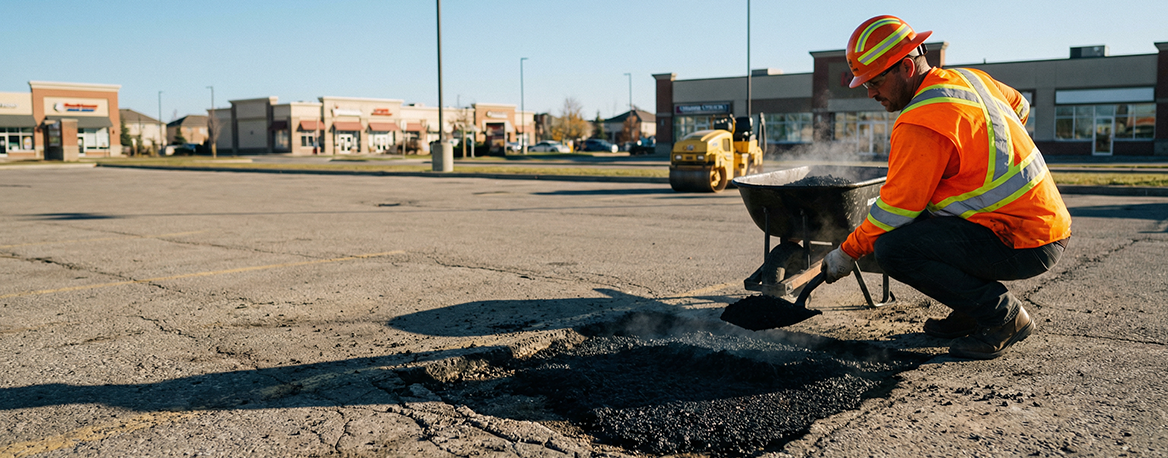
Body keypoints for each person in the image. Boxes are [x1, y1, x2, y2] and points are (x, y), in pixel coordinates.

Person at [821, 15, 1072, 360]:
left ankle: (1005, 318)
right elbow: (1020, 106)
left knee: (895, 250)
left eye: (875, 82)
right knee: (925, 218)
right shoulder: (970, 79)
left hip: (1023, 239)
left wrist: (847, 253)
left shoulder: (920, 121)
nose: (871, 93)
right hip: (1043, 224)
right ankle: (972, 310)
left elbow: (894, 211)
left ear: (907, 67)